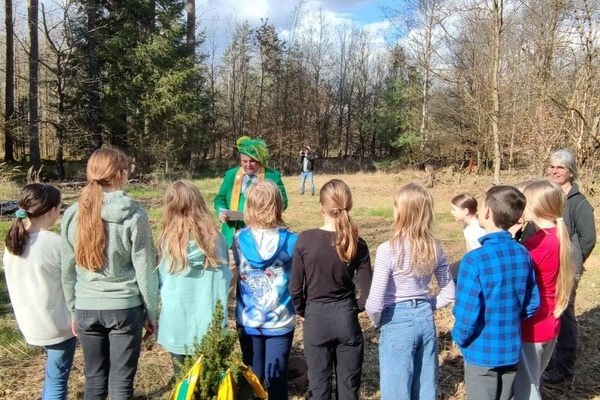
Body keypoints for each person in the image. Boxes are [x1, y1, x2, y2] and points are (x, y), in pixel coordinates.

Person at [61, 148, 159, 400]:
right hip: (124, 308)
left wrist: (73, 308)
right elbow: (145, 267)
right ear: (121, 174)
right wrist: (151, 312)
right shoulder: (134, 214)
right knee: (120, 383)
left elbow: (67, 268)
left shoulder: (72, 214)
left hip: (85, 307)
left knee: (93, 382)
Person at [365, 183, 455, 400]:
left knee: (397, 390)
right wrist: (427, 305)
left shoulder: (388, 249)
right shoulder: (435, 247)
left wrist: (378, 321)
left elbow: (374, 303)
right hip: (425, 319)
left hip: (396, 319)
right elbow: (450, 292)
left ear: (401, 212)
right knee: (425, 387)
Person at [452, 185, 540, 400]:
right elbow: (532, 303)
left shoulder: (474, 260)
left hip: (482, 352)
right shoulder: (523, 253)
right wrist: (508, 319)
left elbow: (467, 315)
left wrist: (459, 338)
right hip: (511, 348)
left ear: (487, 212)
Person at [290, 179, 373, 400]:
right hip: (346, 318)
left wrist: (302, 311)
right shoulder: (358, 243)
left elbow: (295, 287)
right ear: (349, 205)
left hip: (315, 317)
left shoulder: (305, 240)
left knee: (319, 386)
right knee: (348, 388)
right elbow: (367, 291)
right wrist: (356, 308)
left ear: (321, 206)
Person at [3, 184, 76, 400]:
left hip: (30, 324)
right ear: (52, 210)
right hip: (57, 327)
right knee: (57, 380)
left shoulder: (12, 243)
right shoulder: (53, 243)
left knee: (52, 377)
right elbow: (73, 281)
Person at [156, 180, 232, 377]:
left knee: (182, 382)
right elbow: (226, 278)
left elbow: (159, 282)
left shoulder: (166, 244)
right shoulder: (217, 240)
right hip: (209, 324)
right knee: (209, 382)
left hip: (177, 323)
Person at [233, 180, 297, 400]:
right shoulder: (293, 241)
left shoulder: (239, 239)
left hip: (249, 320)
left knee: (253, 377)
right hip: (280, 320)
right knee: (277, 378)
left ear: (248, 207)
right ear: (278, 206)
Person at [514, 180, 575, 399]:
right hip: (550, 320)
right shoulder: (556, 236)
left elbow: (514, 271)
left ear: (536, 207)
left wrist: (511, 236)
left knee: (527, 389)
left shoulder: (539, 244)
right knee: (533, 381)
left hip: (533, 325)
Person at [543, 149, 596, 385]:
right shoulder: (547, 195)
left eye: (560, 167)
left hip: (567, 267)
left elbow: (588, 239)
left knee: (564, 313)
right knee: (549, 310)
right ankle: (548, 359)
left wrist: (574, 263)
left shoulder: (579, 203)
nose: (555, 171)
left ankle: (563, 366)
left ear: (571, 172)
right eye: (552, 166)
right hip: (547, 263)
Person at [214, 136, 288, 249]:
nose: (248, 165)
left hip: (261, 233)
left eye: (252, 161)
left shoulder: (272, 176)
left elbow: (283, 202)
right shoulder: (231, 175)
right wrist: (222, 212)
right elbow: (220, 199)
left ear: (259, 160)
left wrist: (265, 215)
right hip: (232, 233)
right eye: (244, 161)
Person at [448, 193, 486, 280]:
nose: (451, 212)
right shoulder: (466, 226)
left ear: (465, 211)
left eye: (454, 209)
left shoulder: (480, 229)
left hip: (482, 264)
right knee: (449, 271)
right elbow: (469, 250)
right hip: (473, 261)